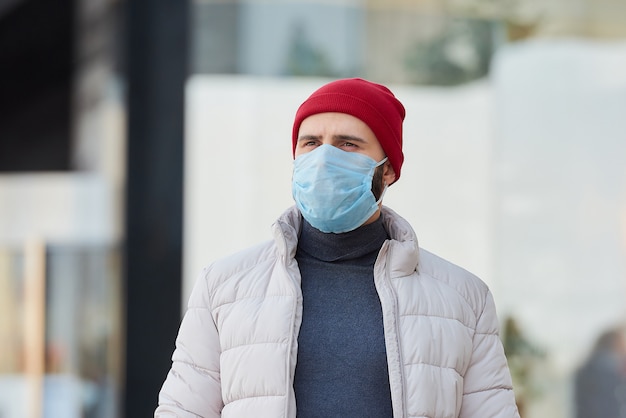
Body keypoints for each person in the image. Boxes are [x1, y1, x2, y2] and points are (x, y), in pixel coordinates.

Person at [155, 78, 519, 417]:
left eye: (348, 144)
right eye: (311, 142)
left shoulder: (462, 299)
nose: (324, 158)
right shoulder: (224, 287)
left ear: (388, 169)